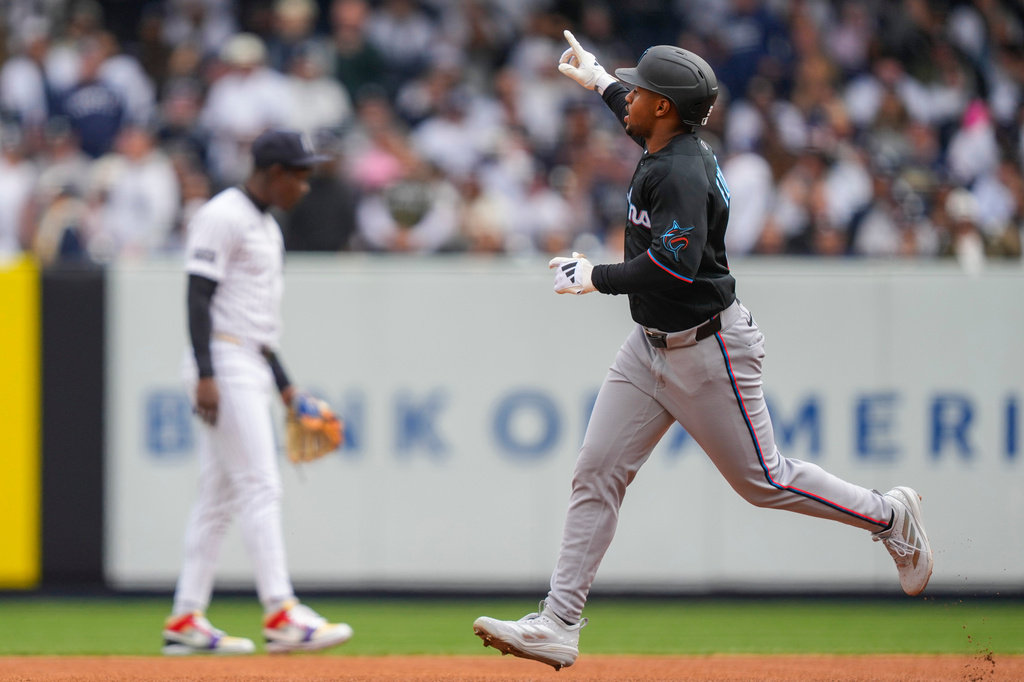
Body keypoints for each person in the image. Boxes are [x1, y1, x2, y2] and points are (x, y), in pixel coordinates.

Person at [472, 31, 934, 671]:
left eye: (640, 90)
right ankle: (558, 622)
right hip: (649, 346)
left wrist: (593, 275)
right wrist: (599, 78)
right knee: (597, 469)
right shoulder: (669, 139)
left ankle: (890, 517)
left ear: (664, 108)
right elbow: (639, 127)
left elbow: (674, 266)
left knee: (765, 482)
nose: (630, 96)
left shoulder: (683, 169)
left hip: (708, 349)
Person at [163, 129, 353, 655]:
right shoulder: (223, 214)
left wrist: (288, 390)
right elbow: (198, 295)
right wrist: (205, 371)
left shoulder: (266, 224)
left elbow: (257, 324)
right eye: (300, 174)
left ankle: (185, 619)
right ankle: (281, 611)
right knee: (260, 485)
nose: (305, 186)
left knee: (218, 496)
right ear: (273, 173)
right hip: (223, 359)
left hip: (248, 355)